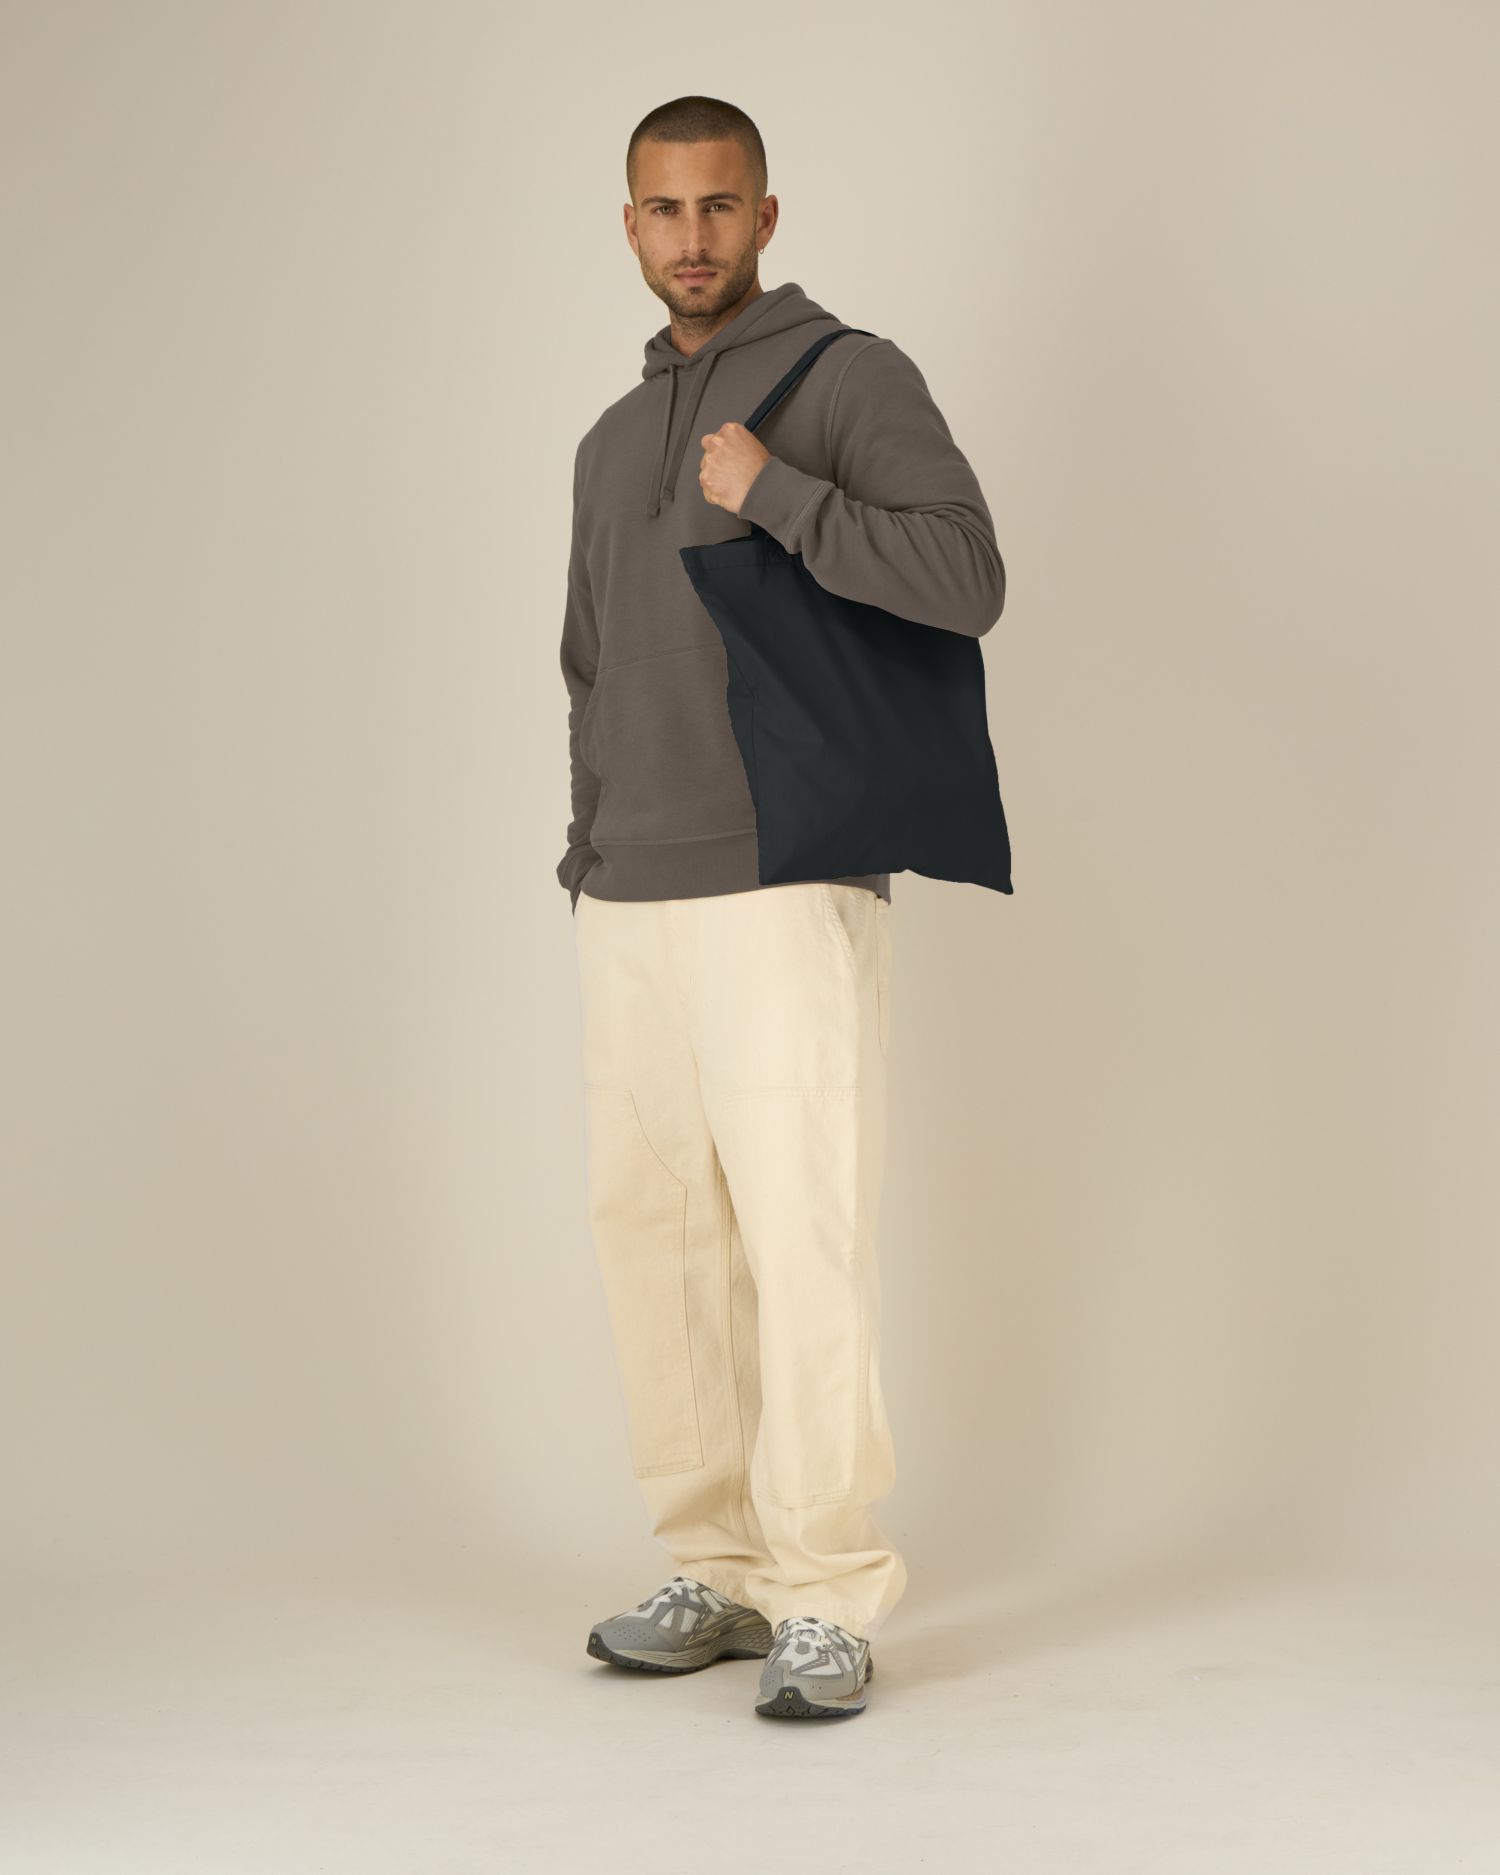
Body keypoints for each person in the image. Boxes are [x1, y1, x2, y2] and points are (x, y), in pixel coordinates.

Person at [558, 95, 1005, 1720]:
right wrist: (586, 850)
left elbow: (967, 579)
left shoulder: (847, 378)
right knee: (660, 1240)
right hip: (630, 890)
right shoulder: (610, 441)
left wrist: (781, 496)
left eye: (719, 206)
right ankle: (720, 1565)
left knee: (800, 1234)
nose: (693, 239)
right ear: (629, 225)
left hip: (783, 872)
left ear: (764, 215)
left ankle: (825, 1588)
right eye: (664, 210)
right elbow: (588, 663)